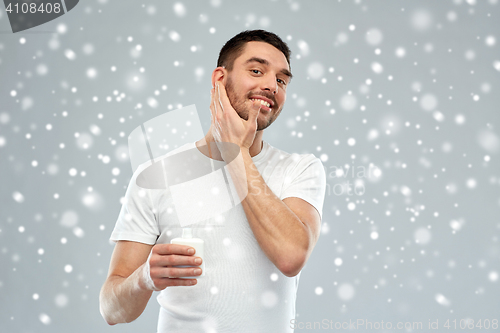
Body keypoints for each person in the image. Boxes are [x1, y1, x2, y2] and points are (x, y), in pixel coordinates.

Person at [99, 29, 326, 333]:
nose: (271, 85)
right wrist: (144, 278)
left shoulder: (300, 169)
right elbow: (112, 310)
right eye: (256, 70)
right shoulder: (155, 176)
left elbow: (291, 257)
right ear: (220, 78)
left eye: (282, 80)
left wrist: (235, 152)